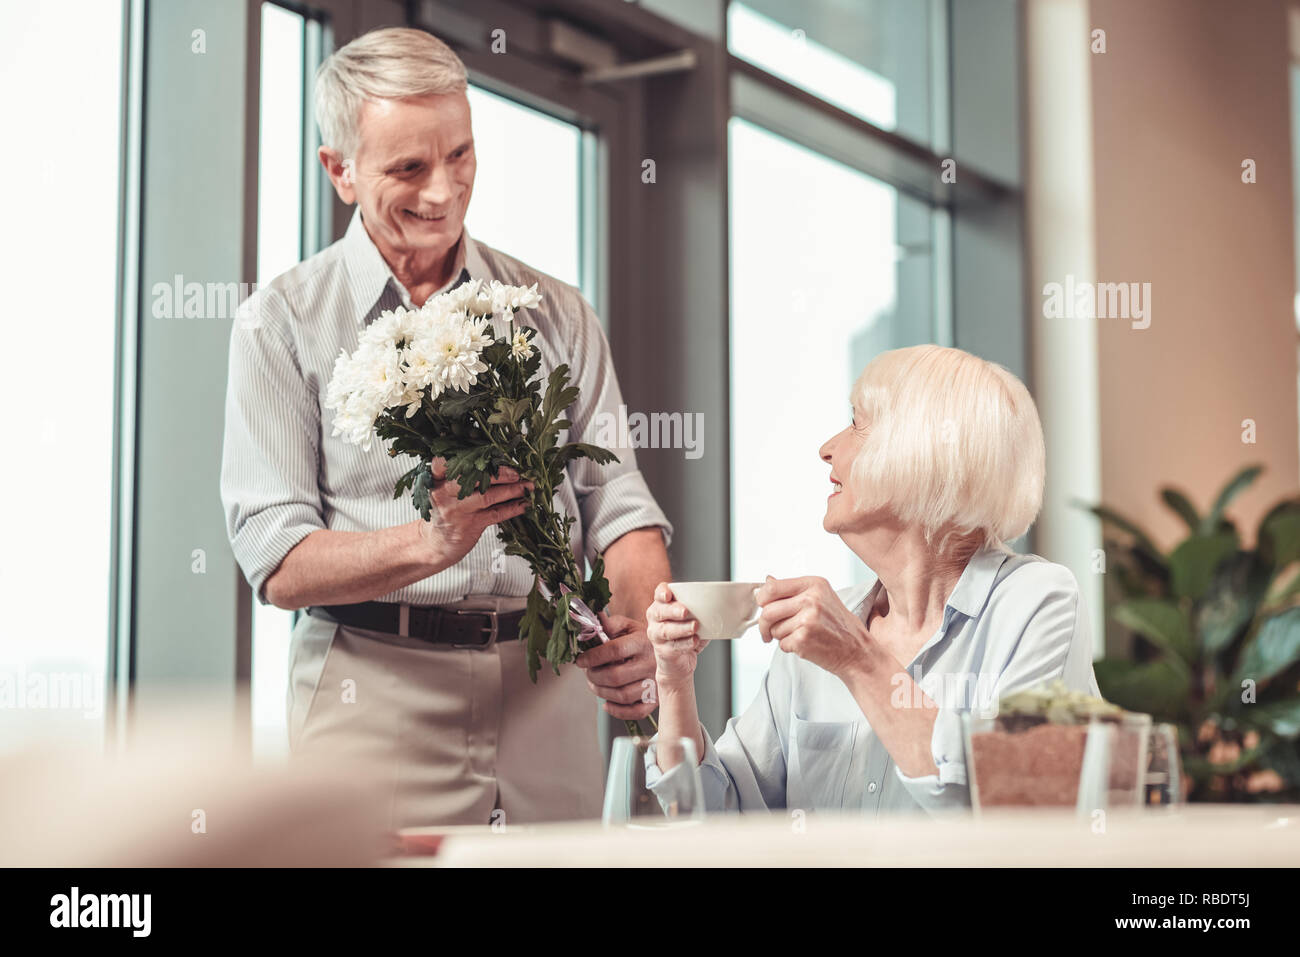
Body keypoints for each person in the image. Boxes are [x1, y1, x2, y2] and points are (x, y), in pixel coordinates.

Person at [220, 27, 672, 828]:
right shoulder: (280, 323)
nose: (443, 190)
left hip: (548, 686)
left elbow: (619, 505)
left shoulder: (557, 311)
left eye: (459, 155)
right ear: (340, 172)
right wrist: (427, 543)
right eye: (408, 168)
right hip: (374, 689)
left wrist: (638, 628)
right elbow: (277, 557)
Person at [645, 344, 1099, 814]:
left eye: (858, 423)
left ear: (925, 452)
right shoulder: (820, 631)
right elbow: (715, 818)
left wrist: (856, 659)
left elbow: (1012, 799)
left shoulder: (1037, 602)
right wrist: (674, 684)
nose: (827, 448)